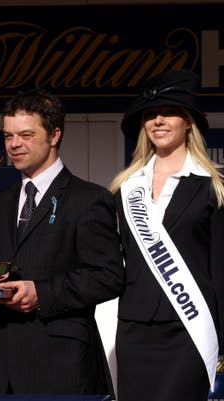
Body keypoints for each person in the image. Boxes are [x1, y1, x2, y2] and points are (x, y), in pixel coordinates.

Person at [0, 89, 124, 395]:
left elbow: (108, 277)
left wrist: (42, 293)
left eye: (26, 135)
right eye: (8, 136)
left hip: (62, 364)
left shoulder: (89, 199)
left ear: (54, 134)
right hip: (1, 363)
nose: (14, 144)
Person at [109, 69, 223, 401]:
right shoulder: (125, 188)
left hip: (189, 327)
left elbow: (220, 270)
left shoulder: (213, 188)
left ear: (188, 121)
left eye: (169, 111)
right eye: (150, 114)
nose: (158, 120)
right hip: (134, 329)